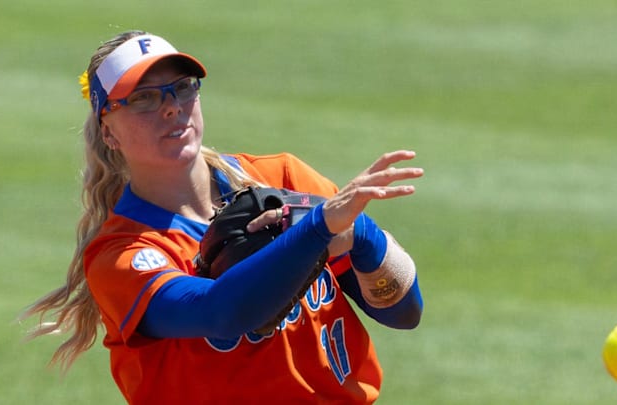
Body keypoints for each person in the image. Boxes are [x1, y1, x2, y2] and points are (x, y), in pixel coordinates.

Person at [21, 30, 424, 404]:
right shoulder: (122, 254)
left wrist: (365, 234)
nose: (171, 108)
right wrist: (318, 228)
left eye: (181, 88)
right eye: (143, 98)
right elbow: (221, 313)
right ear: (108, 130)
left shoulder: (281, 178)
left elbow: (402, 312)